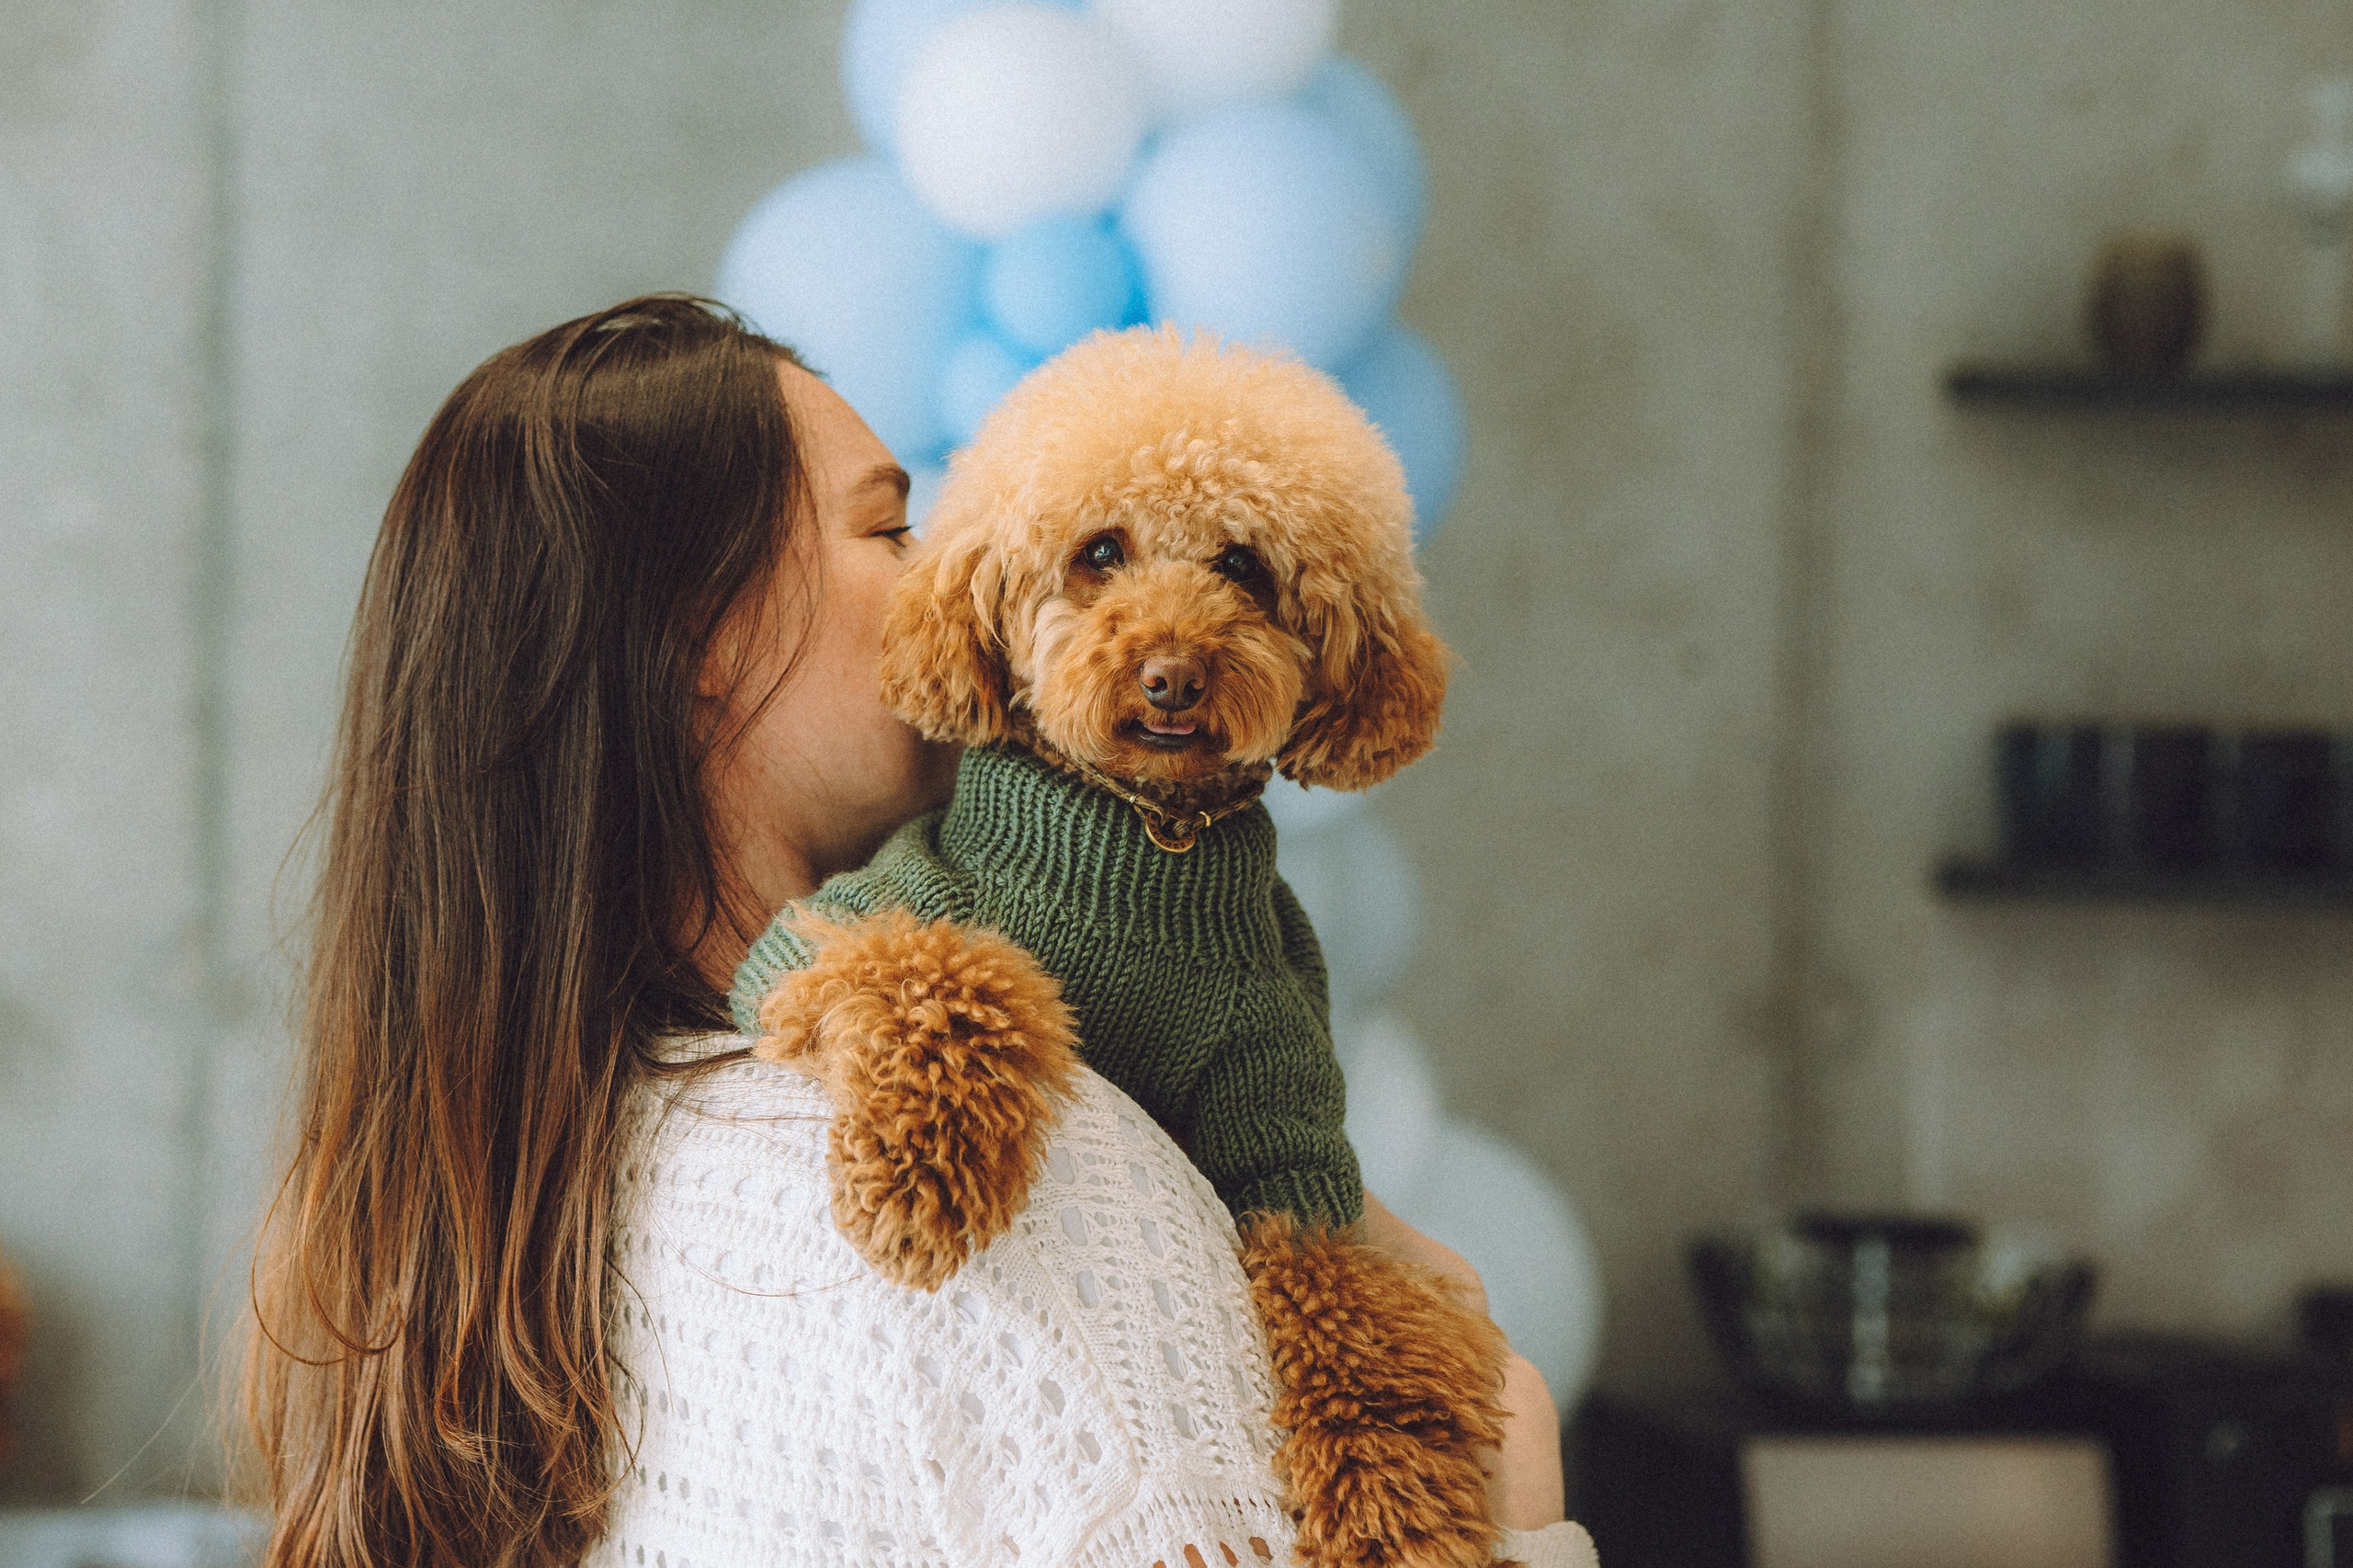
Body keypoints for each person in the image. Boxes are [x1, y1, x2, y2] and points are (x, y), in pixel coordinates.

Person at [243, 296, 1594, 1568]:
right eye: (894, 531)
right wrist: (1523, 1482)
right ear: (696, 635)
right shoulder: (1034, 1172)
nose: (947, 568)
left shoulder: (548, 1183)